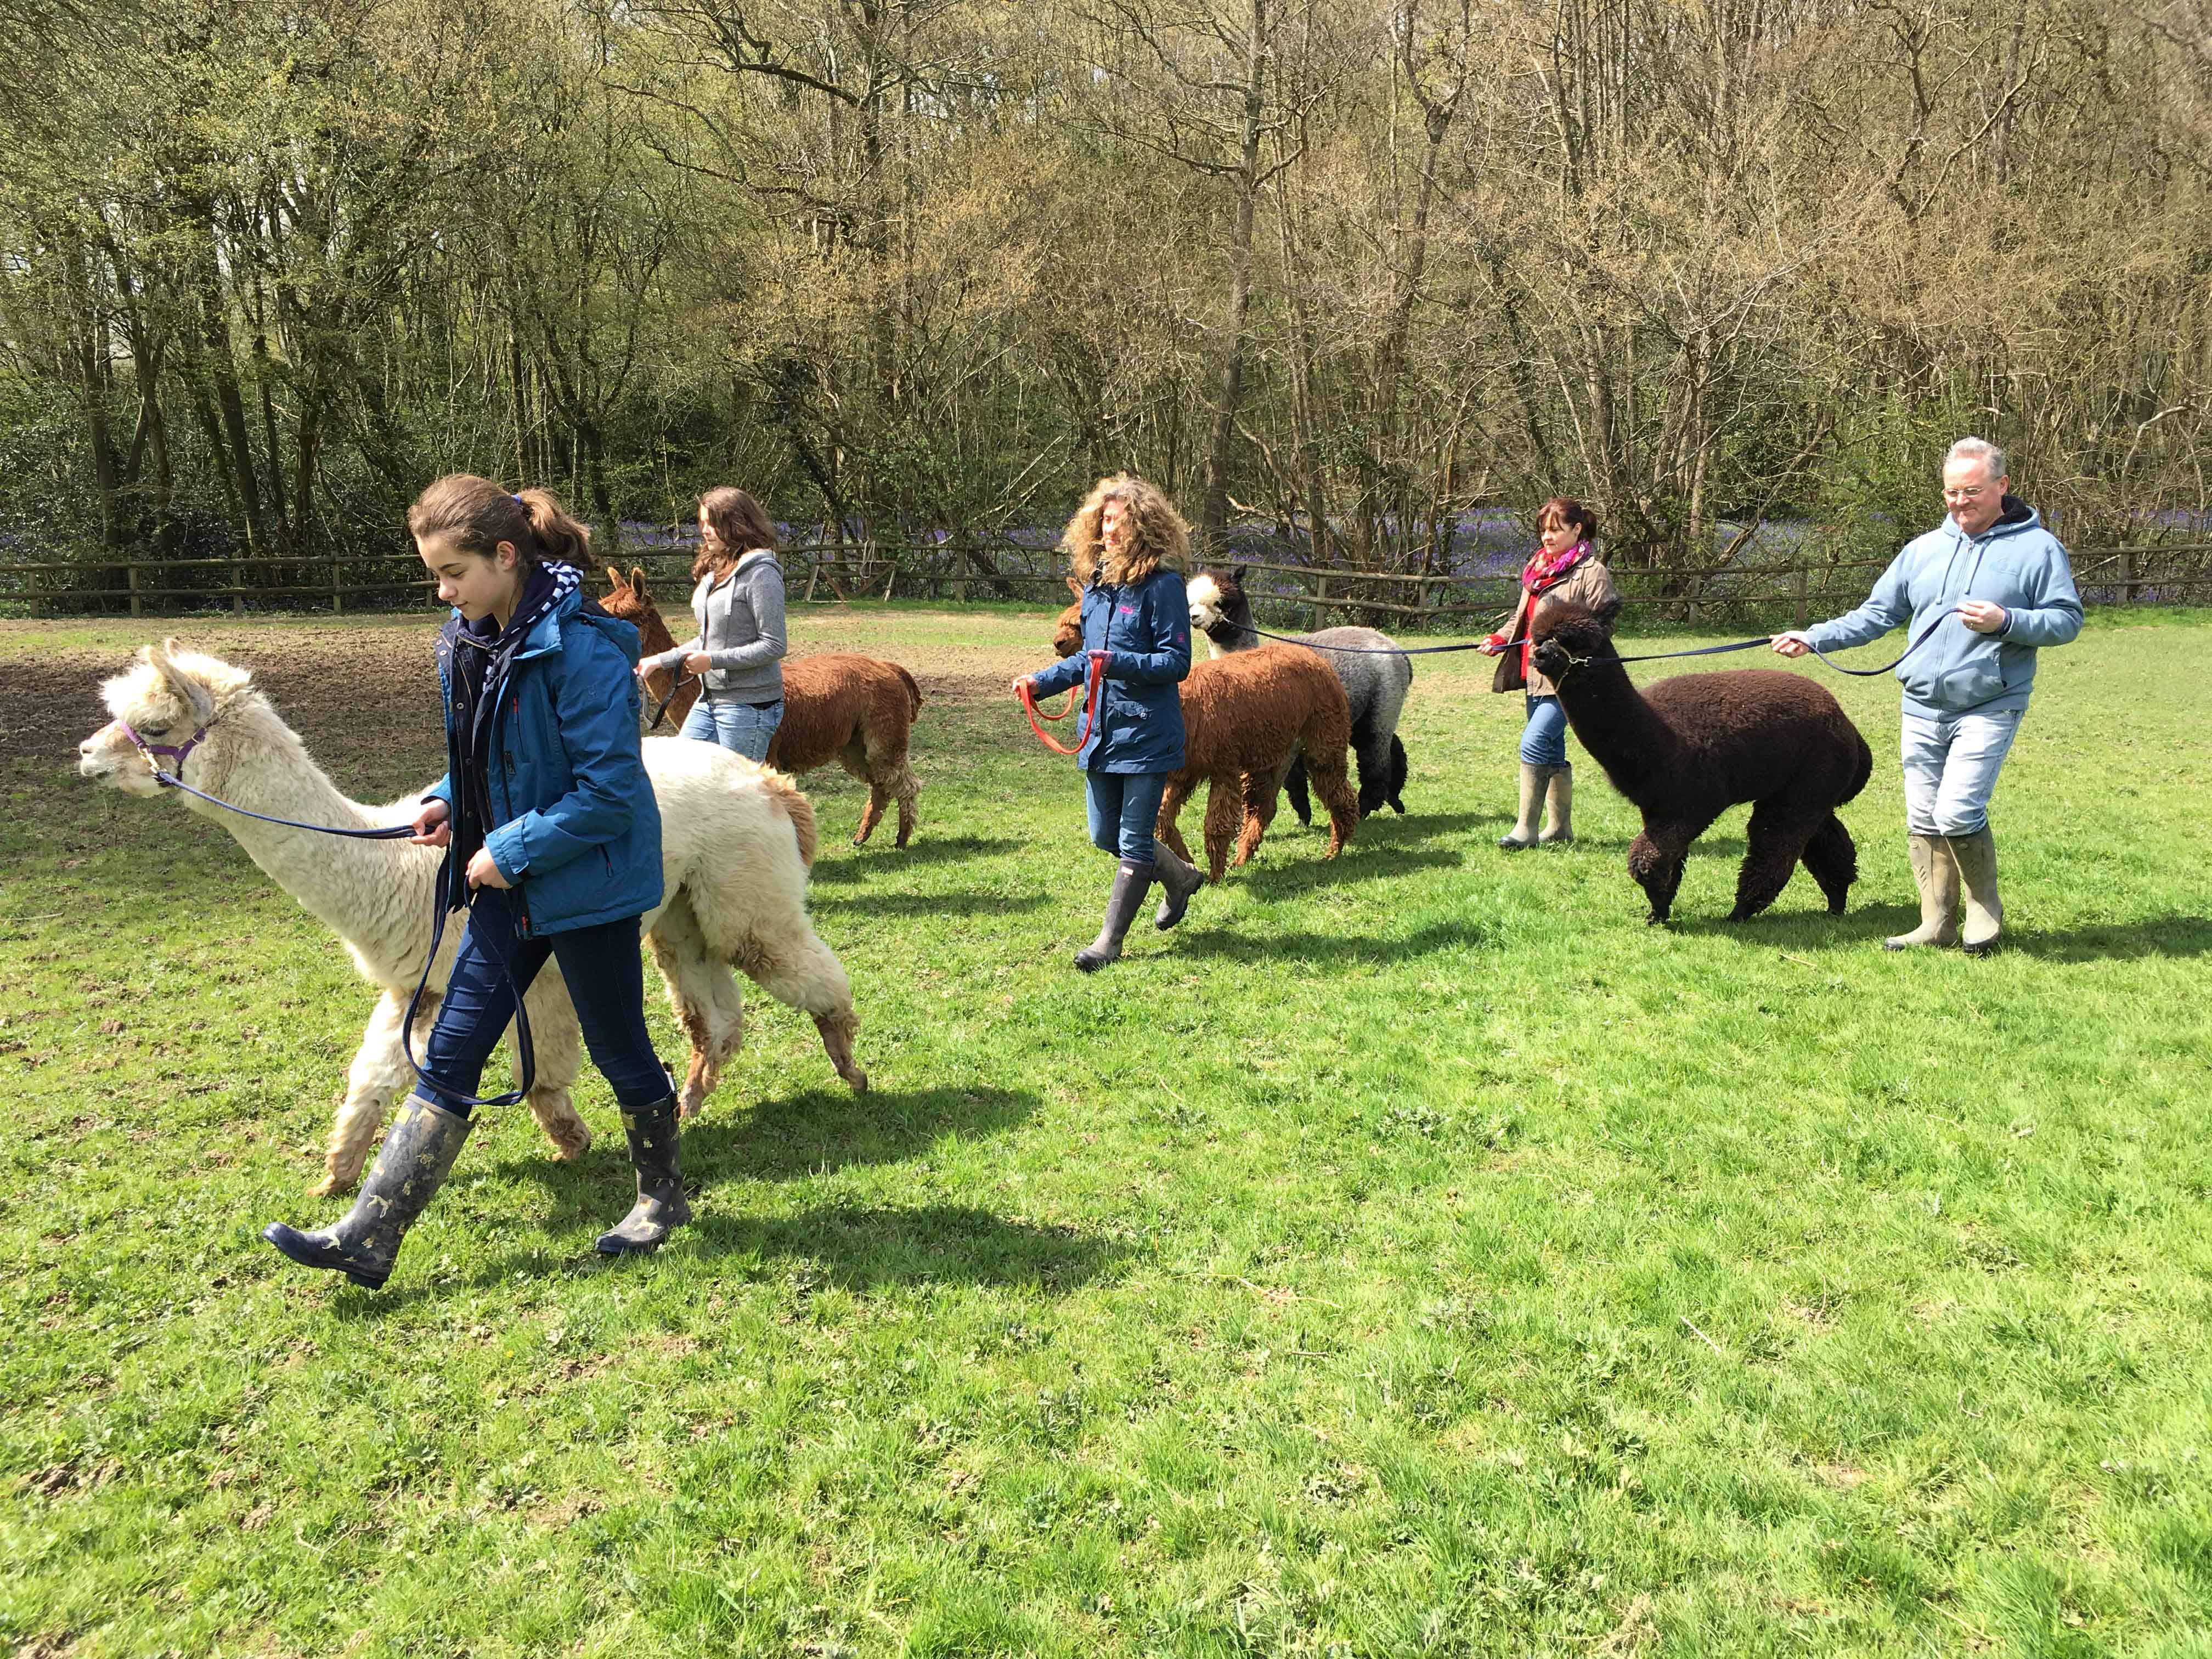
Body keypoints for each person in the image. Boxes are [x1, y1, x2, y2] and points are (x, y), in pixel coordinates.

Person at [262, 476, 686, 1290]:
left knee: (617, 1047)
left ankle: (662, 1199)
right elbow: (489, 758)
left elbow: (609, 794)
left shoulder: (585, 650)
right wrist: (449, 801)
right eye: (436, 576)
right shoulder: (472, 643)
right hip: (509, 886)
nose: (443, 592)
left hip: (589, 885)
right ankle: (369, 1235)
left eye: (454, 573)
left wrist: (509, 849)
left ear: (506, 556)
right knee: (451, 1048)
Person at [1773, 436, 2081, 953]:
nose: (1961, 501)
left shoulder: (2038, 549)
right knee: (1922, 816)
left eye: (1972, 491)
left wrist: (2007, 621)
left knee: (1957, 811)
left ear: (2002, 486)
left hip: (1988, 704)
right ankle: (1935, 922)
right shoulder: (1923, 550)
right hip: (1920, 706)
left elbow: (2067, 620)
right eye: (1952, 492)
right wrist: (1814, 636)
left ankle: (1984, 911)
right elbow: (1877, 614)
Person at [1011, 475, 1206, 971]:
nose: (1109, 529)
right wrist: (1040, 683)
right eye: (1104, 520)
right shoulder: (1098, 586)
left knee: (1134, 841)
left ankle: (1108, 942)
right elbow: (1087, 660)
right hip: (1100, 730)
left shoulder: (1163, 585)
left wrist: (1119, 663)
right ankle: (1180, 877)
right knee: (1105, 836)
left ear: (1144, 526)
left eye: (1119, 521)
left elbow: (1176, 663)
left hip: (1147, 732)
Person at [1477, 497, 1619, 849]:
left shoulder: (1592, 573)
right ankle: (1559, 829)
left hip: (1573, 678)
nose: (1547, 536)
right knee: (1552, 748)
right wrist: (1500, 639)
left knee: (1535, 741)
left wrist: (1561, 644)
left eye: (1556, 529)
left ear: (1577, 529)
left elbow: (1603, 627)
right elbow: (1521, 618)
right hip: (1536, 674)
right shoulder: (1538, 569)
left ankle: (1525, 830)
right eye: (1544, 530)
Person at [639, 486, 787, 761]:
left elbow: (774, 645)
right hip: (711, 699)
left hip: (748, 706)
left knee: (737, 786)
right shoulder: (718, 572)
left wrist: (712, 661)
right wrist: (659, 660)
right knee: (685, 769)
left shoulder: (761, 575)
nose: (705, 531)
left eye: (712, 523)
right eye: (702, 523)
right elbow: (709, 638)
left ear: (737, 524)